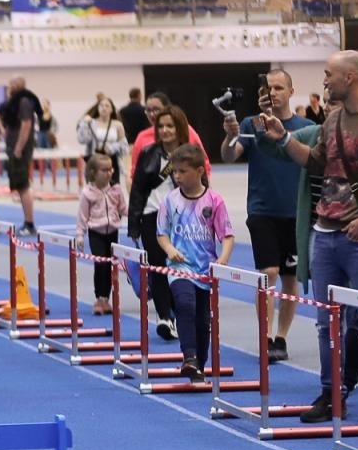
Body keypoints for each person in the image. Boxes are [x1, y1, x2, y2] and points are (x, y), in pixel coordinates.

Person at [263, 50, 358, 425]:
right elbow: (316, 162)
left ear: (350, 77)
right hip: (326, 234)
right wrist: (284, 139)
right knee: (325, 323)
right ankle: (332, 393)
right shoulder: (331, 119)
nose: (324, 81)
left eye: (328, 74)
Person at [221, 69, 306, 362]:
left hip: (295, 213)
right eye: (269, 88)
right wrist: (231, 137)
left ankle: (281, 337)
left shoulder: (305, 126)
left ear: (291, 92)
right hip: (262, 211)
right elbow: (229, 156)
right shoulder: (252, 124)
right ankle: (266, 337)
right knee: (268, 273)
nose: (273, 93)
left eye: (280, 87)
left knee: (290, 278)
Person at [156, 145, 235, 382]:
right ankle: (188, 356)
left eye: (182, 171)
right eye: (175, 172)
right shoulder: (170, 200)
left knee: (202, 319)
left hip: (204, 269)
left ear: (200, 171)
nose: (176, 176)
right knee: (184, 304)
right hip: (179, 267)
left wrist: (222, 260)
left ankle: (199, 364)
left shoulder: (214, 201)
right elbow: (162, 233)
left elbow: (227, 236)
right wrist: (170, 249)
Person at [129, 104, 193, 340]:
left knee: (179, 267)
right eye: (162, 126)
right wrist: (133, 224)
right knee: (158, 268)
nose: (165, 130)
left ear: (179, 128)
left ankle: (181, 312)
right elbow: (137, 189)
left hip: (182, 217)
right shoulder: (149, 153)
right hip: (152, 215)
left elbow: (201, 186)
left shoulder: (189, 153)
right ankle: (164, 317)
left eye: (170, 126)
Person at [76, 153, 127, 315]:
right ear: (93, 173)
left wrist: (136, 216)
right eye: (104, 170)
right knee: (100, 265)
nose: (109, 173)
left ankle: (106, 298)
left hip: (112, 231)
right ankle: (99, 297)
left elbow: (123, 209)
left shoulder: (116, 189)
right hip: (96, 232)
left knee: (111, 266)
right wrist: (79, 234)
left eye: (111, 169)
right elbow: (82, 215)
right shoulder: (88, 193)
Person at [0, 76, 42, 234]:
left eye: (10, 84)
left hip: (20, 150)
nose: (8, 87)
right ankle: (27, 221)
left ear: (16, 85)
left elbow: (26, 125)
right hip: (14, 148)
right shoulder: (16, 102)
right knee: (20, 185)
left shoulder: (23, 101)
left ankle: (30, 224)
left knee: (23, 185)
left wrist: (18, 148)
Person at [129, 90, 208, 179]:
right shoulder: (142, 137)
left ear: (167, 108)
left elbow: (204, 164)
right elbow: (135, 171)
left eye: (156, 109)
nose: (152, 114)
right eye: (148, 110)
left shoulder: (186, 130)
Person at [76, 97, 127, 171]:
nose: (104, 108)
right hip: (95, 162)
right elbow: (82, 140)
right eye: (101, 105)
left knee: (114, 181)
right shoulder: (92, 123)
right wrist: (84, 124)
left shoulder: (118, 125)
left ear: (111, 109)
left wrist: (111, 148)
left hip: (113, 162)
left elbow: (124, 147)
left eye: (107, 106)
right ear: (98, 108)